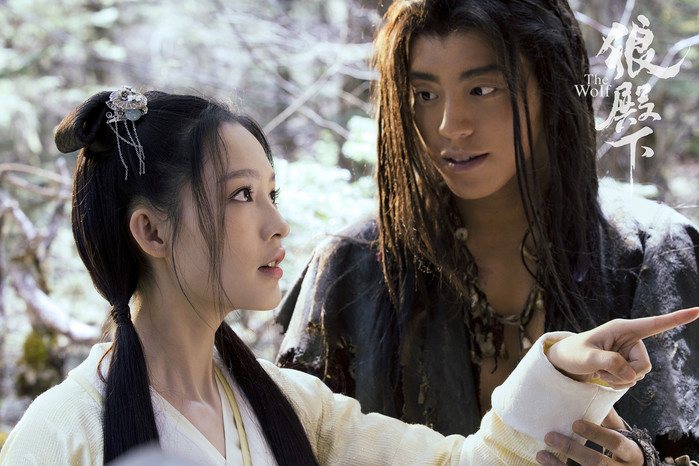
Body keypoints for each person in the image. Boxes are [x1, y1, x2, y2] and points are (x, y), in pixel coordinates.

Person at [2, 87, 695, 466]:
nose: (277, 224)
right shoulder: (60, 436)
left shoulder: (292, 407)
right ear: (151, 231)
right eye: (241, 195)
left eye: (272, 193)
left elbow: (467, 465)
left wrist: (563, 369)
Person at [275, 0, 699, 462]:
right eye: (424, 94)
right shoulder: (349, 268)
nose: (449, 126)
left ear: (550, 89)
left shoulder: (654, 254)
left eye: (482, 89)